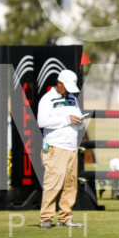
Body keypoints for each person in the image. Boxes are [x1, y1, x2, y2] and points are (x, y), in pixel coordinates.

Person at [37, 69, 85, 228]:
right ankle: (46, 218)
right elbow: (42, 121)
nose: (69, 91)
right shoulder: (47, 99)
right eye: (67, 87)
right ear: (60, 83)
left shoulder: (72, 98)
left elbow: (77, 119)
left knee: (70, 185)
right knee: (53, 182)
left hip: (72, 146)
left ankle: (65, 218)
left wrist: (80, 122)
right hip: (55, 147)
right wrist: (67, 119)